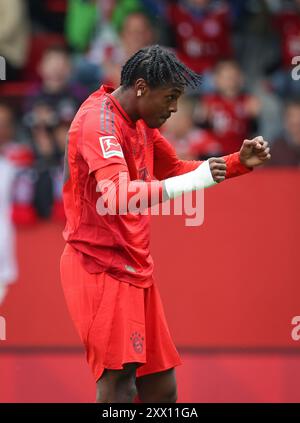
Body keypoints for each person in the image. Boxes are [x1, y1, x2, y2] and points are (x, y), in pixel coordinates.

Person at [60, 45, 271, 403]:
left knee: (160, 384)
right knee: (118, 381)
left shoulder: (140, 121)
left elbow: (172, 170)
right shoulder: (98, 122)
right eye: (170, 97)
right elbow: (117, 196)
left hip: (136, 268)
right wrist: (197, 181)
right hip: (99, 266)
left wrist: (236, 162)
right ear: (141, 87)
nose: (174, 108)